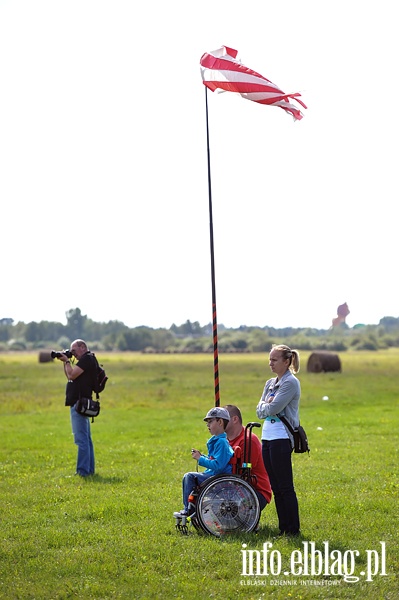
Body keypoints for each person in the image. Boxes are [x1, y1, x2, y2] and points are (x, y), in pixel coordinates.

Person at [256, 344, 301, 536]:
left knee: (285, 486)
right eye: (270, 359)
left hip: (282, 437)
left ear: (287, 361)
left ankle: (293, 529)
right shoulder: (269, 383)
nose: (270, 363)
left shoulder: (290, 383)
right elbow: (259, 410)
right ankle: (283, 528)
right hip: (267, 436)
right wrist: (267, 406)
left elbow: (272, 409)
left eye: (274, 360)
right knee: (275, 487)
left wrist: (267, 406)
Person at [173, 407, 234, 517]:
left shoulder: (221, 443)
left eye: (210, 422)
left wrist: (200, 459)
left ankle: (189, 509)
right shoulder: (218, 441)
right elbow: (214, 460)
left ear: (220, 422)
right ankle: (192, 507)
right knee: (190, 477)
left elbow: (218, 466)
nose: (208, 425)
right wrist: (203, 456)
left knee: (189, 477)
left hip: (218, 477)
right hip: (215, 476)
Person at [56, 339, 97, 477]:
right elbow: (70, 376)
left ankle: (82, 472)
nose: (73, 354)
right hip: (81, 403)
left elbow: (72, 375)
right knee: (86, 439)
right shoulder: (89, 359)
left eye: (74, 351)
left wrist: (67, 361)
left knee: (81, 440)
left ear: (83, 347)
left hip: (79, 404)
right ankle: (89, 470)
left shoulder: (86, 359)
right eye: (71, 352)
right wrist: (65, 361)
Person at [223, 404, 272, 512]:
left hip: (256, 492)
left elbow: (245, 474)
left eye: (222, 419)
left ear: (234, 419)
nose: (219, 422)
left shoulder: (248, 440)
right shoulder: (222, 440)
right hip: (230, 486)